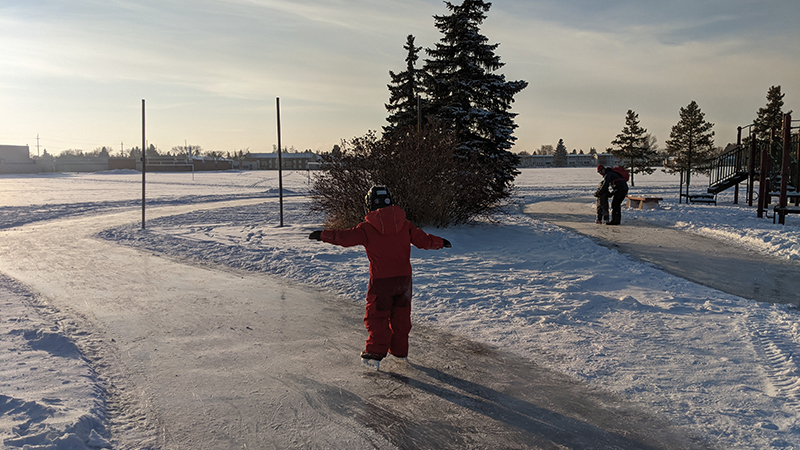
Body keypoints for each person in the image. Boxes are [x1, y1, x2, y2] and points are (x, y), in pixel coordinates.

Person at [308, 186, 451, 370]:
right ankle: (400, 353)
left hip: (382, 281)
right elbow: (424, 240)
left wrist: (323, 235)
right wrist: (441, 242)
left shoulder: (367, 228)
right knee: (401, 317)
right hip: (404, 281)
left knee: (377, 317)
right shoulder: (405, 225)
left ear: (369, 205)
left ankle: (374, 354)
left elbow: (345, 237)